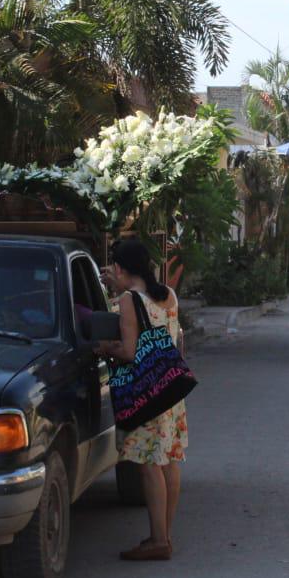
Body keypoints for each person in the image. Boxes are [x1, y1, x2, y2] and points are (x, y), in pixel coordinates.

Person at [96, 239, 189, 561]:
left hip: (145, 391)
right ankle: (165, 534)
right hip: (170, 388)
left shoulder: (127, 300)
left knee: (150, 464)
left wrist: (104, 349)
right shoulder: (168, 295)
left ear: (120, 268)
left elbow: (129, 351)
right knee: (170, 461)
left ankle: (158, 540)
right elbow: (177, 339)